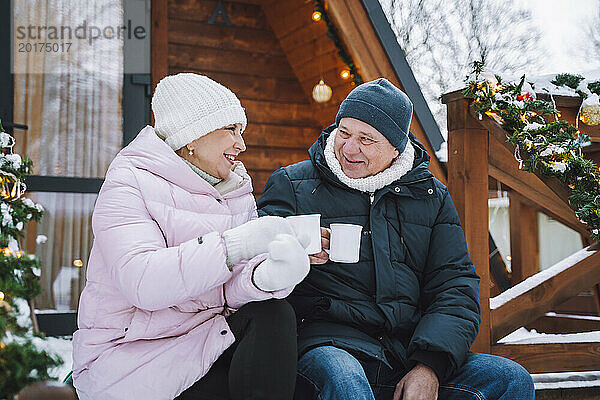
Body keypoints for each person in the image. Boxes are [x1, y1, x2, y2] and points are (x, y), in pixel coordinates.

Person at [257, 78, 535, 400]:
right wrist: (291, 247)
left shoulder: (430, 197)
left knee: (511, 380)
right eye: (344, 133)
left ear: (395, 147)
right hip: (326, 342)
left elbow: (454, 286)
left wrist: (429, 366)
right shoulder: (293, 184)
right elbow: (254, 254)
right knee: (344, 377)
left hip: (405, 352)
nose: (349, 148)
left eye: (366, 139)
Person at [72, 73, 311, 400]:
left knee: (274, 312)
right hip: (134, 358)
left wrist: (265, 278)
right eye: (231, 129)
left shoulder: (233, 190)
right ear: (192, 137)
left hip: (203, 338)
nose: (241, 144)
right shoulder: (129, 183)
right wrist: (235, 246)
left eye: (242, 132)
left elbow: (226, 294)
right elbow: (143, 282)